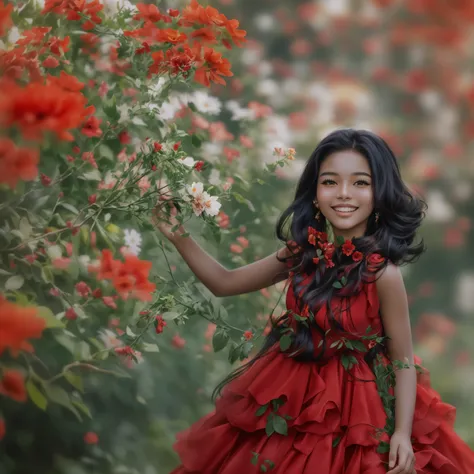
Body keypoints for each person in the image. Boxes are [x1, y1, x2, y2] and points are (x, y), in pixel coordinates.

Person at [154, 129, 474, 474]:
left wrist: (401, 434)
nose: (344, 194)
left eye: (361, 183)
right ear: (315, 194)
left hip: (361, 407)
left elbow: (404, 363)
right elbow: (224, 282)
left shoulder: (383, 273)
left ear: (379, 193)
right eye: (330, 182)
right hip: (290, 395)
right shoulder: (301, 254)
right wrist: (178, 234)